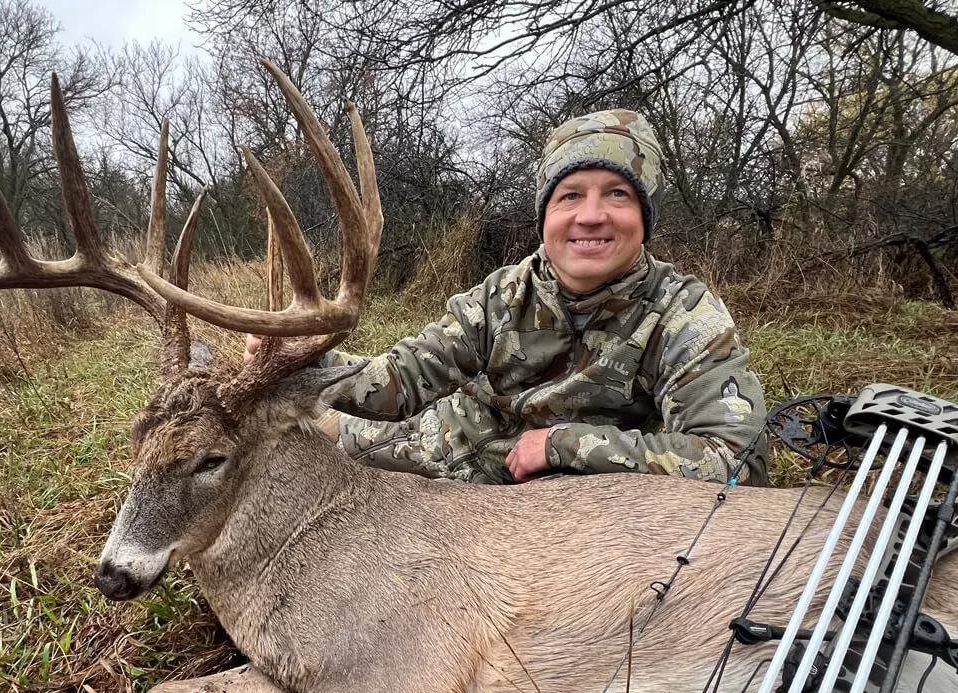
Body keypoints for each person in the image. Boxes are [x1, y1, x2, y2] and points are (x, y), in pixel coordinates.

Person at [247, 110, 769, 486]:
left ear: (644, 216)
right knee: (311, 438)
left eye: (617, 194)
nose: (590, 216)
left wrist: (567, 447)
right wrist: (308, 368)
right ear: (545, 216)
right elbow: (404, 378)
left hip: (554, 502)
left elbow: (736, 461)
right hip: (432, 446)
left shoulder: (684, 316)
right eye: (569, 196)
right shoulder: (502, 294)